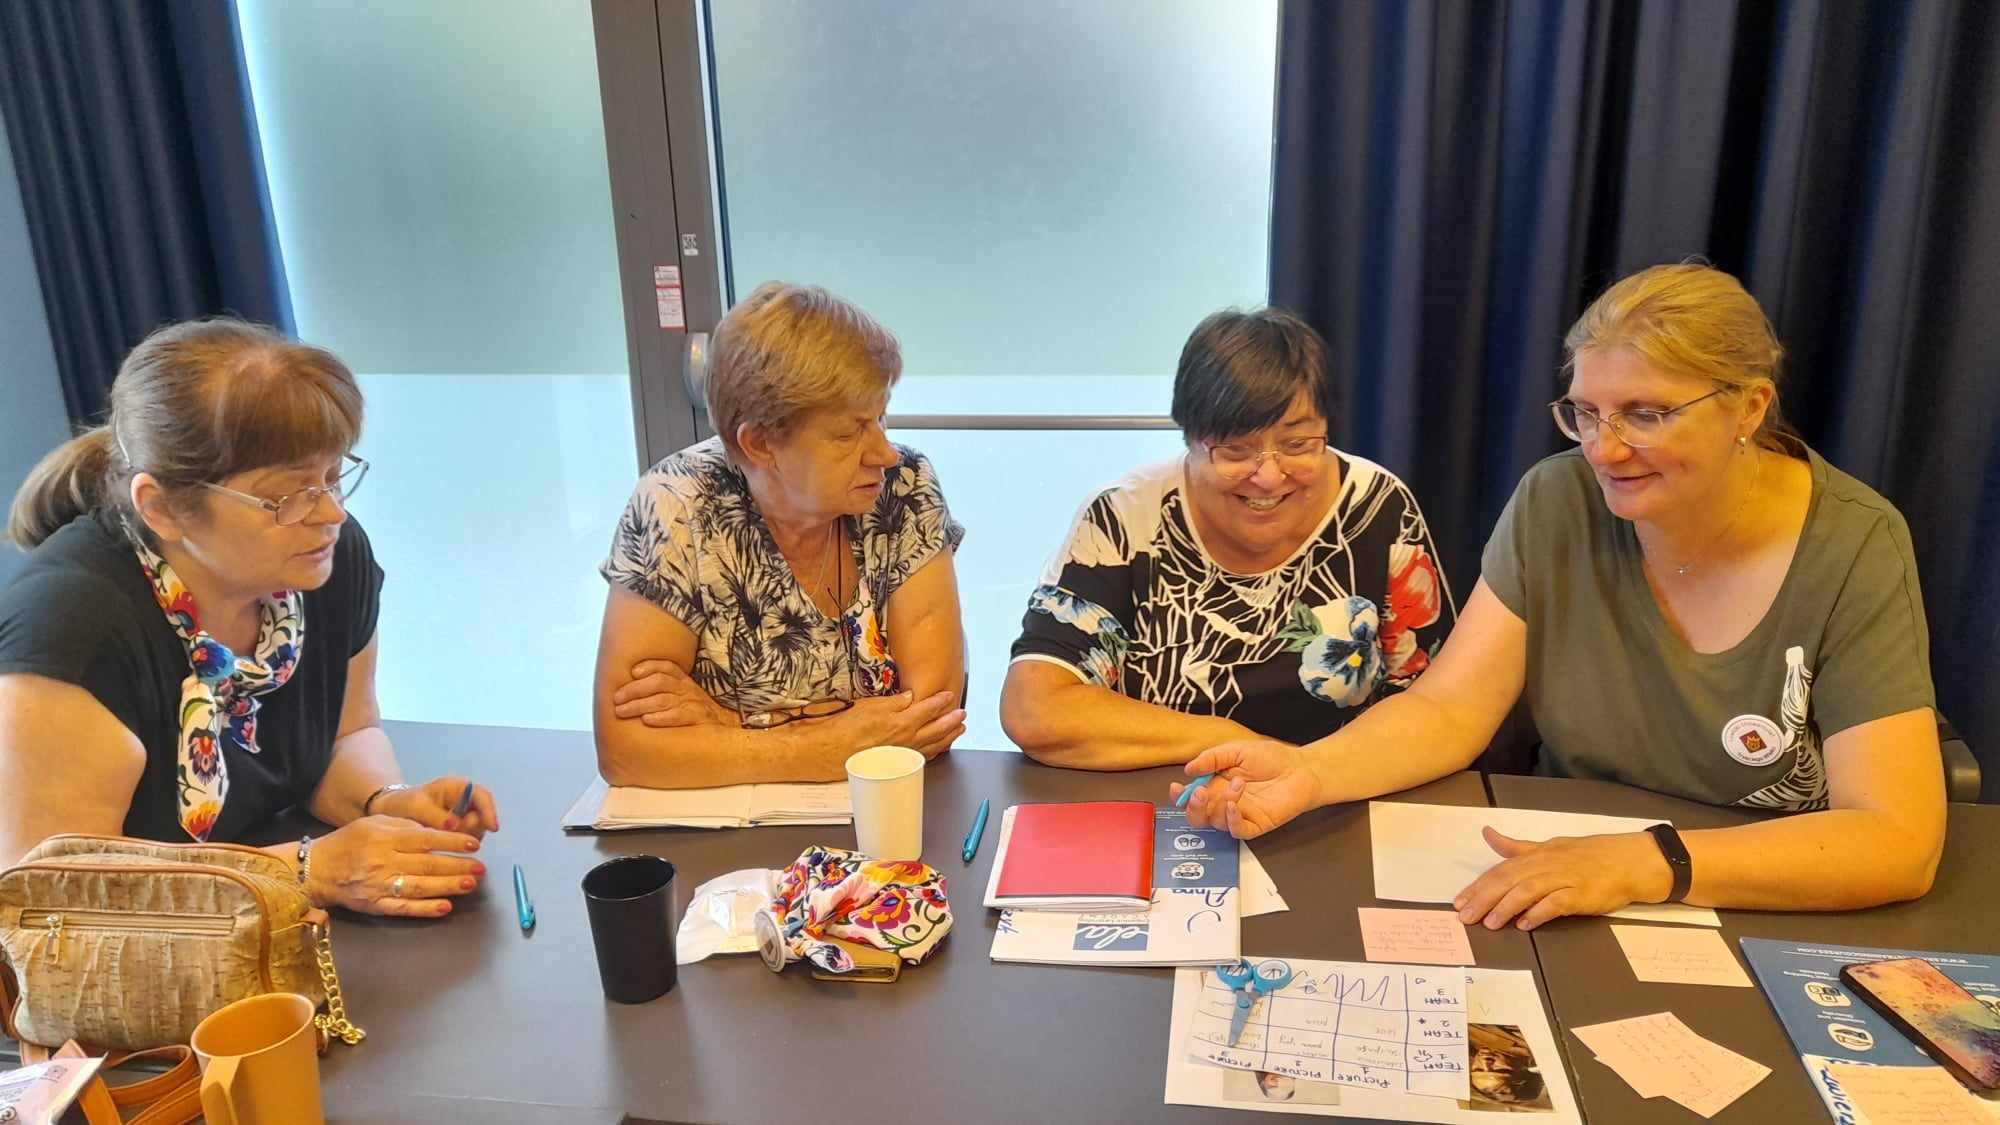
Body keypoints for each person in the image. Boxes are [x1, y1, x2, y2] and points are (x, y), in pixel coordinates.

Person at [1178, 263, 1944, 926]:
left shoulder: (1854, 541)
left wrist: (1644, 863)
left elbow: (1896, 839)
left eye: (1645, 414)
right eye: (1585, 412)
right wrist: (1311, 773)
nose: (1604, 450)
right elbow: (1448, 710)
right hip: (1569, 876)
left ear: (1748, 406)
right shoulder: (1557, 500)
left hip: (1750, 890)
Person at [0, 319, 498, 918]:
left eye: (333, 476)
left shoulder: (326, 561)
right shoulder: (71, 629)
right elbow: (52, 898)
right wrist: (305, 871)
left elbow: (345, 735)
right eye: (286, 497)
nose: (331, 514)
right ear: (162, 507)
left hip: (252, 927)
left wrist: (387, 802)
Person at [1001, 308, 1454, 769]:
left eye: (1298, 444)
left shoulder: (1376, 506)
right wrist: (1231, 742)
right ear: (1189, 439)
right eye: (1236, 450)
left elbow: (1435, 703)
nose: (1269, 475)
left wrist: (1311, 774)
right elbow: (1035, 709)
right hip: (1168, 792)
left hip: (1339, 789)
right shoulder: (1125, 518)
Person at [594, 282, 966, 788]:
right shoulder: (677, 505)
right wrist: (820, 746)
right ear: (760, 444)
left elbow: (933, 714)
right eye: (848, 432)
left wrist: (728, 724)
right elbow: (625, 751)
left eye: (881, 417)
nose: (884, 452)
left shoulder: (903, 485)